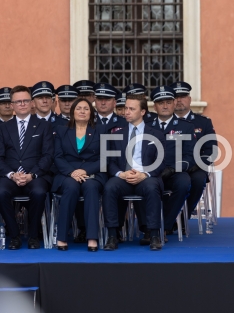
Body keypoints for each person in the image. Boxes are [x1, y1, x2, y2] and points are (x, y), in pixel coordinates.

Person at [102, 96, 166, 251]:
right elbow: (108, 161)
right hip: (123, 177)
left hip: (145, 177)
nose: (126, 112)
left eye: (132, 109)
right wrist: (119, 174)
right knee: (109, 187)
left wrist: (145, 174)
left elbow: (162, 161)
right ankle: (112, 234)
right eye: (125, 108)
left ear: (143, 111)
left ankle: (154, 234)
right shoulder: (116, 133)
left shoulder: (156, 134)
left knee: (152, 188)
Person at [0, 85, 54, 250]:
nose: (22, 104)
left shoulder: (44, 125)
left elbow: (48, 156)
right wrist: (11, 175)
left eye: (25, 100)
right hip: (11, 176)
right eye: (18, 101)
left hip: (35, 176)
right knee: (0, 192)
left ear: (32, 103)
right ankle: (14, 235)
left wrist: (32, 174)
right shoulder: (3, 127)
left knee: (39, 193)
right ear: (12, 104)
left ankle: (33, 236)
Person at [52, 99, 106, 252]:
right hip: (67, 174)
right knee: (70, 186)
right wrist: (71, 172)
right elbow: (57, 156)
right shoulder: (61, 130)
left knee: (91, 187)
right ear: (73, 112)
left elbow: (105, 157)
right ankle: (62, 237)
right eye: (79, 108)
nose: (82, 111)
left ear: (91, 113)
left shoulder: (101, 130)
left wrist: (85, 171)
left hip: (93, 174)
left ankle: (92, 237)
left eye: (86, 109)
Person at [146, 86, 195, 236]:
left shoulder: (186, 127)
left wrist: (173, 169)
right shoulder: (146, 126)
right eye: (161, 103)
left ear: (174, 103)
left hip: (174, 171)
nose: (165, 106)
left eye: (168, 102)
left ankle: (166, 224)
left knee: (184, 182)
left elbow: (189, 155)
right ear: (154, 106)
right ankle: (147, 226)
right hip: (151, 171)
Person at [172, 81, 217, 218]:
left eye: (183, 96)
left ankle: (183, 216)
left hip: (195, 168)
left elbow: (211, 149)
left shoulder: (203, 122)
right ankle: (170, 214)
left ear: (189, 99)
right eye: (176, 97)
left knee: (198, 180)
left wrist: (197, 165)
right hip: (171, 167)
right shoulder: (164, 122)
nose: (179, 100)